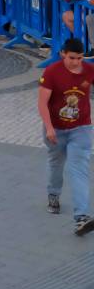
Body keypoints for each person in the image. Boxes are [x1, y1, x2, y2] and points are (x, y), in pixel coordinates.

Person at [37, 39, 94, 235]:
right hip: (56, 129)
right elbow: (43, 103)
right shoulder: (52, 72)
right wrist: (50, 127)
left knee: (79, 169)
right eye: (72, 58)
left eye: (79, 58)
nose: (76, 62)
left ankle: (81, 217)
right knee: (56, 163)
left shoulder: (88, 70)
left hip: (81, 128)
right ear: (63, 54)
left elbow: (88, 83)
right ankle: (53, 195)